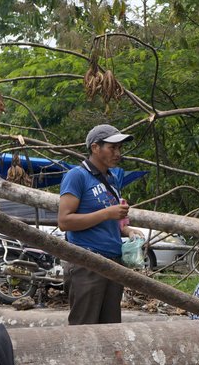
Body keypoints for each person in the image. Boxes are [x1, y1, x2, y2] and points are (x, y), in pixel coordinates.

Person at [57, 124, 142, 325]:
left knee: (110, 328)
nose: (118, 153)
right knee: (84, 328)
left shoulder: (112, 179)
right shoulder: (76, 176)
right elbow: (64, 221)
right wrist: (106, 214)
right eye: (112, 148)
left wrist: (126, 230)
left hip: (113, 262)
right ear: (95, 147)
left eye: (119, 148)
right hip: (86, 262)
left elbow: (114, 219)